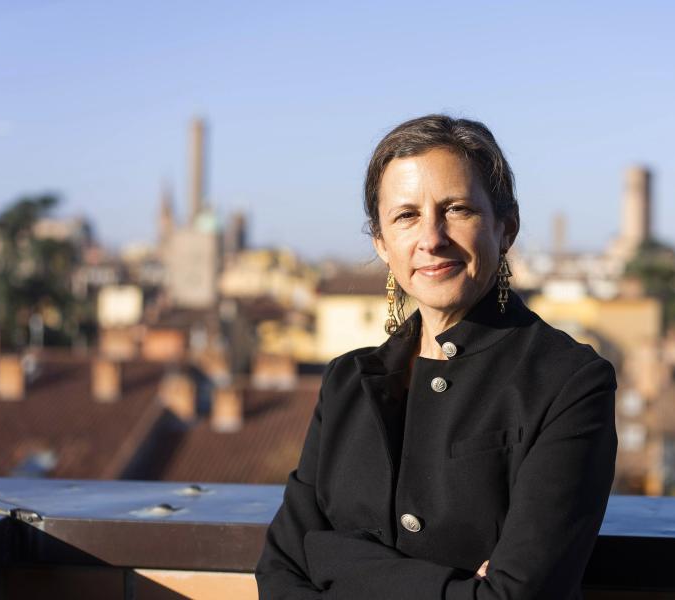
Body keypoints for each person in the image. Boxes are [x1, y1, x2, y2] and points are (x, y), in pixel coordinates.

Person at [256, 114, 617, 599]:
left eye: (457, 209)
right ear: (382, 244)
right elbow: (280, 570)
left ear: (505, 228)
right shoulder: (347, 382)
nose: (431, 238)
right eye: (406, 216)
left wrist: (334, 559)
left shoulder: (569, 382)